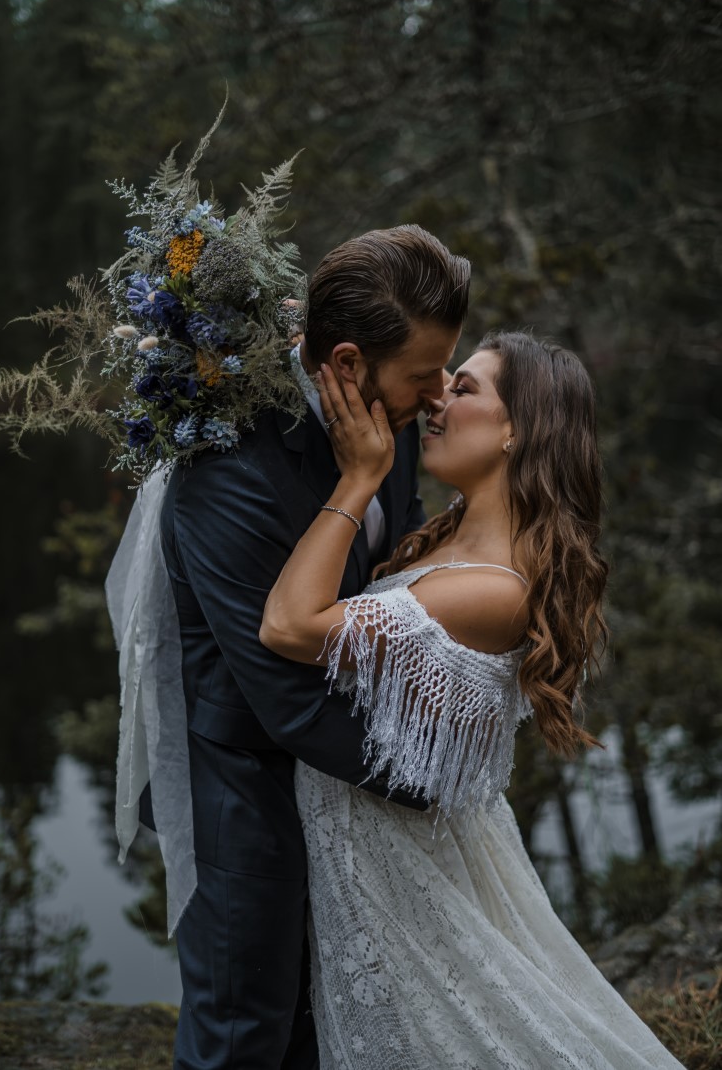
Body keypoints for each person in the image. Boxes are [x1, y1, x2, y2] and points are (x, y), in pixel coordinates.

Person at [260, 331, 686, 1070]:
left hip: (399, 878)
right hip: (383, 859)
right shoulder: (448, 540)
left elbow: (290, 626)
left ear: (516, 428)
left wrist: (358, 477)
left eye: (464, 391)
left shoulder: (491, 589)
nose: (437, 402)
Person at [158, 225, 470, 1069]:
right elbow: (288, 698)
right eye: (423, 376)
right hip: (244, 791)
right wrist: (436, 778)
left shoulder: (384, 410)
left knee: (330, 1030)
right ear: (344, 362)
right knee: (247, 1033)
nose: (441, 394)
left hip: (344, 778)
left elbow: (388, 575)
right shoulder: (227, 472)